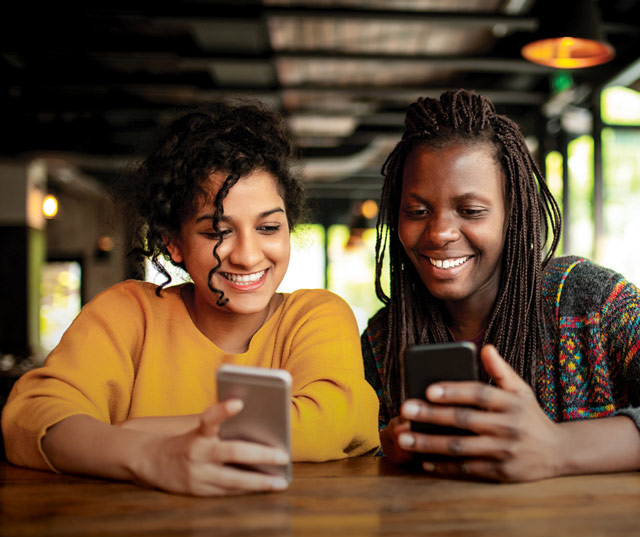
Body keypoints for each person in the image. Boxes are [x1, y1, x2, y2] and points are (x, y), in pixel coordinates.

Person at [2, 100, 380, 496]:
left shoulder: (314, 315)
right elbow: (31, 416)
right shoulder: (128, 313)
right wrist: (151, 455)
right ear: (174, 243)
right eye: (218, 232)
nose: (249, 254)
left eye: (268, 227)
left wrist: (137, 431)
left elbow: (334, 422)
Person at [362, 88, 640, 482]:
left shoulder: (593, 303)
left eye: (471, 211)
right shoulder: (382, 340)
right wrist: (385, 447)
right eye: (417, 211)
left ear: (513, 214)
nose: (439, 232)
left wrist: (560, 449)